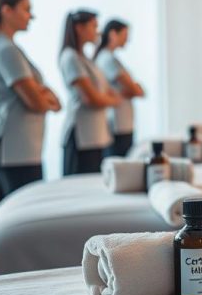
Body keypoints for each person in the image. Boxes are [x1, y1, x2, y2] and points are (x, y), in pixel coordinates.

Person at [0, 0, 60, 213]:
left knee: (4, 215)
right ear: (7, 11)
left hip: (13, 147)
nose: (31, 16)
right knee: (22, 215)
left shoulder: (3, 47)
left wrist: (44, 96)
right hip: (13, 150)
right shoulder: (6, 50)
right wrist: (44, 97)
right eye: (27, 10)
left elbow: (47, 98)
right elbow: (37, 102)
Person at [59, 9, 121, 175]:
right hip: (81, 136)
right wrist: (111, 100)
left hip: (95, 135)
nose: (98, 31)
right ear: (79, 28)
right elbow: (91, 99)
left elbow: (105, 92)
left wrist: (106, 98)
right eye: (94, 26)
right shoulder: (70, 57)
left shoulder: (85, 58)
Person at [94, 19, 145, 157]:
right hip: (117, 123)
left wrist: (130, 90)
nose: (127, 39)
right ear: (113, 34)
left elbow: (139, 91)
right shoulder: (107, 59)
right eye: (125, 34)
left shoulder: (110, 58)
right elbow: (135, 89)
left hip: (122, 122)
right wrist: (132, 90)